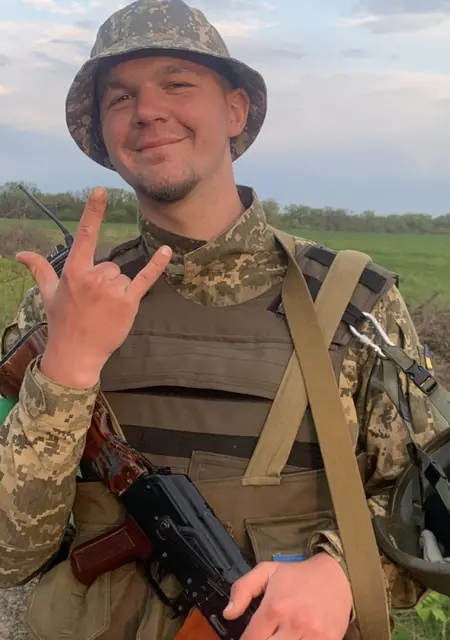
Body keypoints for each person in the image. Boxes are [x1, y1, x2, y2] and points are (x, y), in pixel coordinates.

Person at [0, 0, 442, 638]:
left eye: (178, 83)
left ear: (235, 110)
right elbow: (10, 557)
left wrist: (344, 573)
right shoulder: (62, 303)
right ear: (104, 132)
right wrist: (66, 370)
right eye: (120, 97)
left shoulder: (353, 301)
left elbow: (431, 512)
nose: (147, 110)